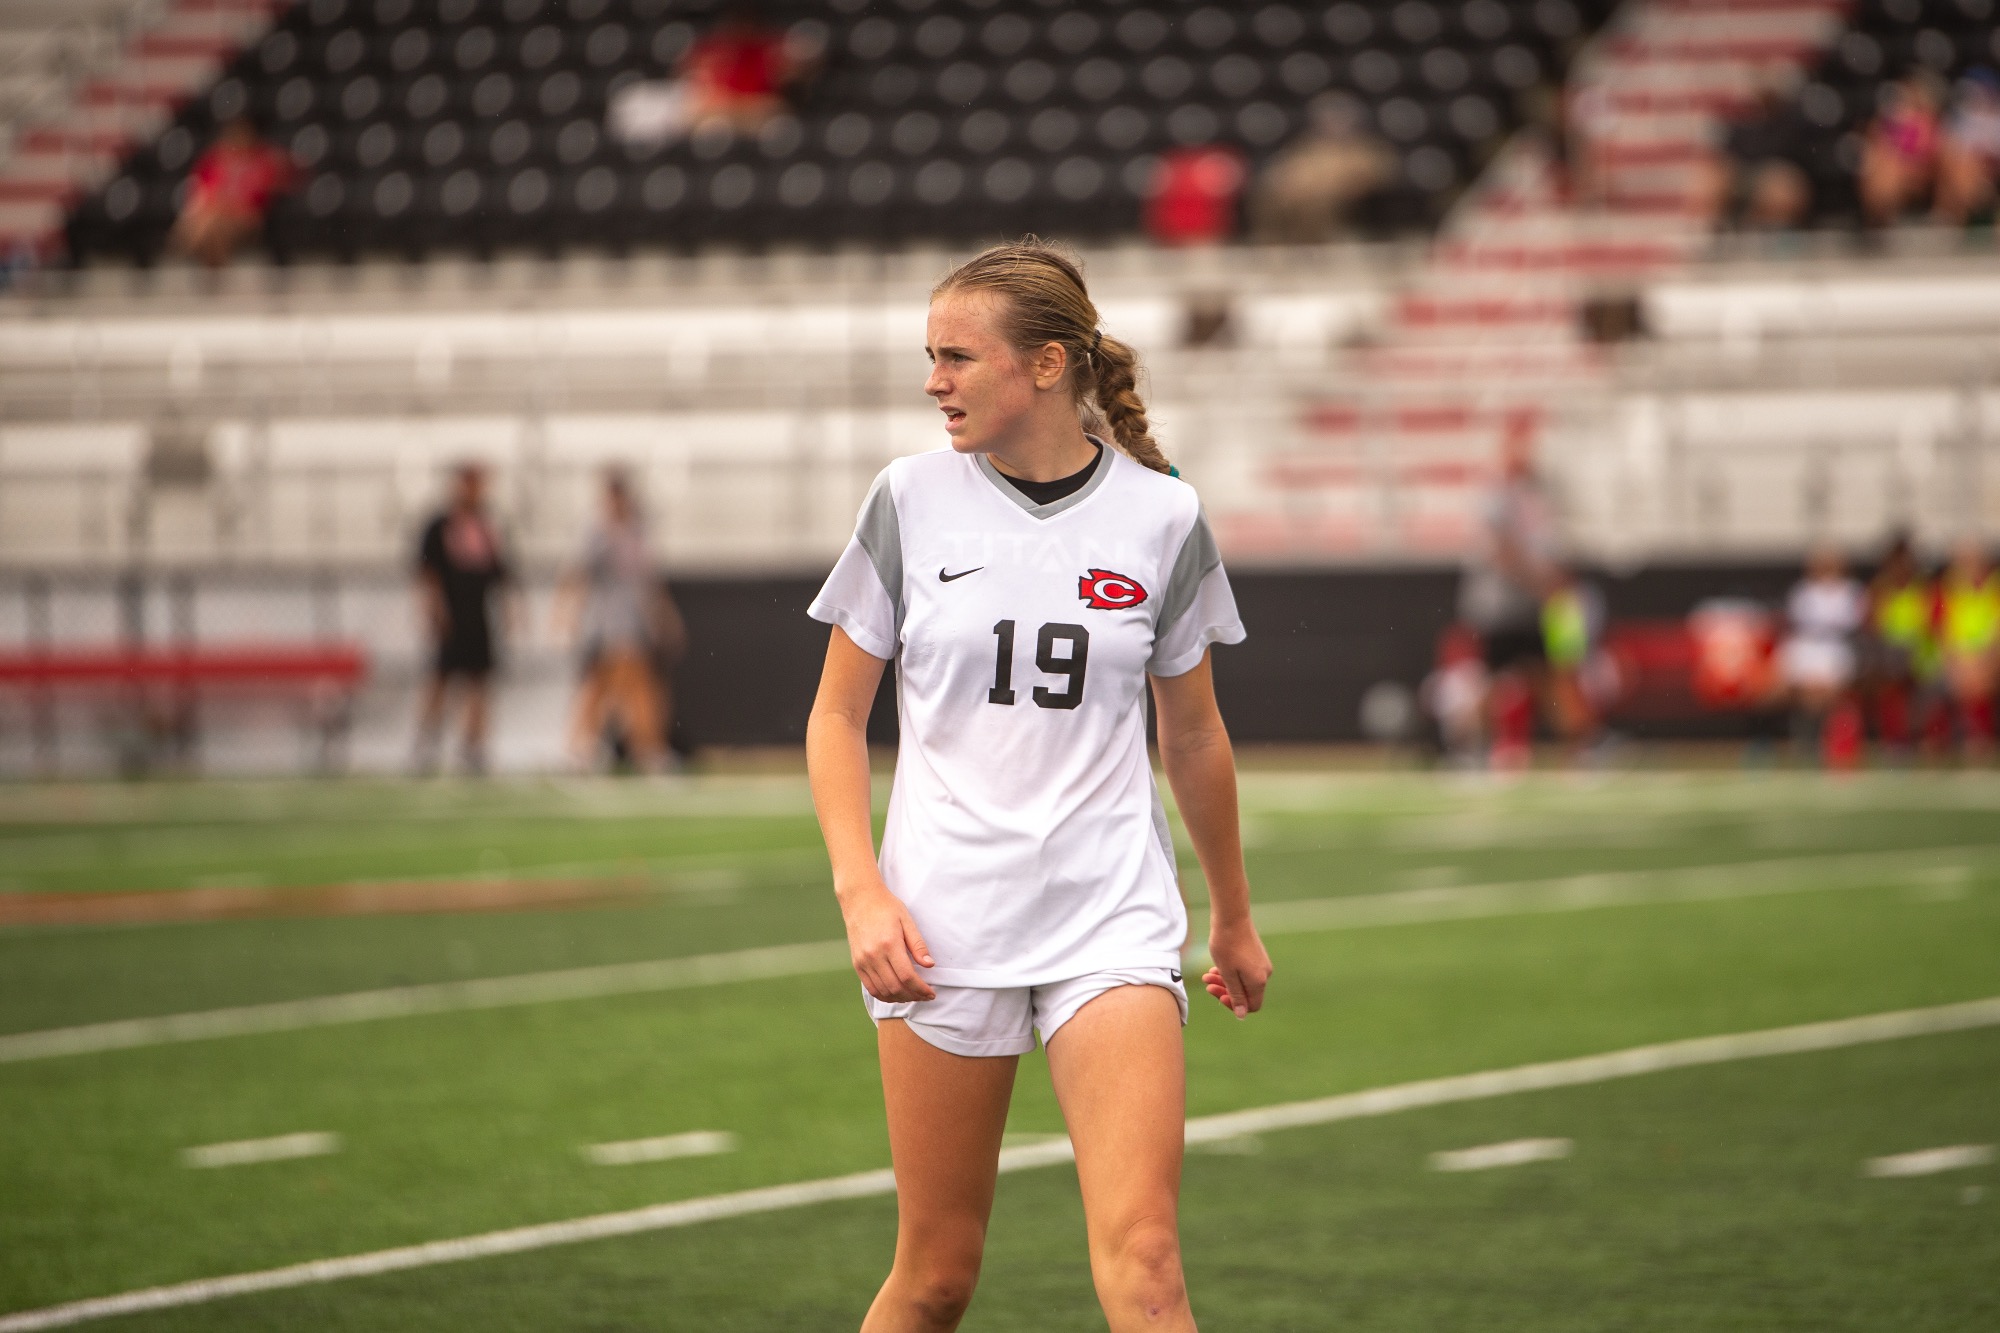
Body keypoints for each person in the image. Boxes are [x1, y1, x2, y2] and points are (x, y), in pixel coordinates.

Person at [804, 241, 1271, 1332]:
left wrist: (1233, 918)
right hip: (939, 925)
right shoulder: (907, 499)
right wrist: (859, 892)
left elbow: (1193, 736)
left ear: (1048, 364)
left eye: (957, 357)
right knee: (934, 1278)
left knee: (1147, 1258)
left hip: (1108, 917)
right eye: (930, 356)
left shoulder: (1162, 515)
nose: (933, 381)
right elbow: (834, 717)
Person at [556, 471, 683, 773]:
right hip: (607, 622)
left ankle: (634, 748)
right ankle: (631, 749)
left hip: (635, 621)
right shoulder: (598, 533)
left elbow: (650, 582)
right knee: (613, 685)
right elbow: (578, 574)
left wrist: (665, 618)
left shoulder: (638, 532)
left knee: (628, 685)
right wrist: (567, 616)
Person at [1458, 414, 1561, 768]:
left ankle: (1584, 748)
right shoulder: (1497, 493)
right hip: (1501, 606)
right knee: (1493, 681)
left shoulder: (1535, 492)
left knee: (1549, 677)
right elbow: (1502, 549)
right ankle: (1467, 749)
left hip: (1531, 604)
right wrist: (1539, 582)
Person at [413, 464, 512, 775]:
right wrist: (434, 608)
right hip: (451, 615)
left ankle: (474, 747)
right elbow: (427, 572)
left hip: (479, 613)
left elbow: (501, 572)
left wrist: (509, 610)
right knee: (440, 680)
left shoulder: (488, 524)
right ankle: (425, 745)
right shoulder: (440, 524)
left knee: (479, 683)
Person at [1248, 92, 1395, 243]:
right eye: (1328, 117)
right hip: (1302, 195)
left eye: (1340, 117)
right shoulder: (1307, 145)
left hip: (1340, 200)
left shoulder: (1367, 147)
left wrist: (1328, 185)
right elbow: (1288, 170)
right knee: (1269, 196)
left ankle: (1317, 245)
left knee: (1317, 202)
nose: (1334, 122)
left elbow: (1372, 175)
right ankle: (1273, 247)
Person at [1776, 547, 1865, 761]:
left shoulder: (1851, 592)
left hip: (1836, 649)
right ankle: (1802, 741)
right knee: (1788, 687)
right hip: (1807, 648)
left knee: (1826, 690)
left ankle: (1833, 740)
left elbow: (1848, 625)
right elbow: (1800, 625)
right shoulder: (1803, 591)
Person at [168, 117, 294, 269]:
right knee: (210, 223)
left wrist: (226, 206)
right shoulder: (216, 160)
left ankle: (182, 255)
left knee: (212, 222)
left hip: (247, 218)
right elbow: (203, 191)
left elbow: (256, 200)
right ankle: (212, 266)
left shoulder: (261, 162)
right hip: (217, 214)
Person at [1861, 533, 1939, 750]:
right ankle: (1894, 739)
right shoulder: (1879, 591)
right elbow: (1873, 631)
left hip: (1922, 660)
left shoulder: (1925, 590)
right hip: (1889, 661)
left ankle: (1927, 738)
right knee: (1885, 677)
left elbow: (1934, 629)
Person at [1937, 540, 1999, 756]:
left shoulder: (1995, 588)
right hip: (1961, 660)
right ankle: (1965, 739)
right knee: (1964, 682)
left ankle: (1981, 739)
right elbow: (1943, 634)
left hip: (1988, 660)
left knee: (1980, 682)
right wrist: (1958, 663)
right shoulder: (1949, 589)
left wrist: (1986, 663)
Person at [1860, 72, 1942, 230]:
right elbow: (1874, 146)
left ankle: (1881, 221)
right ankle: (1878, 221)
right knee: (1883, 171)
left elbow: (1925, 154)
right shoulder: (1883, 123)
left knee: (1889, 173)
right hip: (1889, 170)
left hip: (1916, 173)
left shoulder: (1924, 121)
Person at [1935, 68, 2000, 227]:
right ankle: (1951, 219)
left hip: (1990, 172)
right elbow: (1948, 152)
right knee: (1956, 168)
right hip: (1965, 174)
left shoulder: (1996, 120)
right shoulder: (1959, 120)